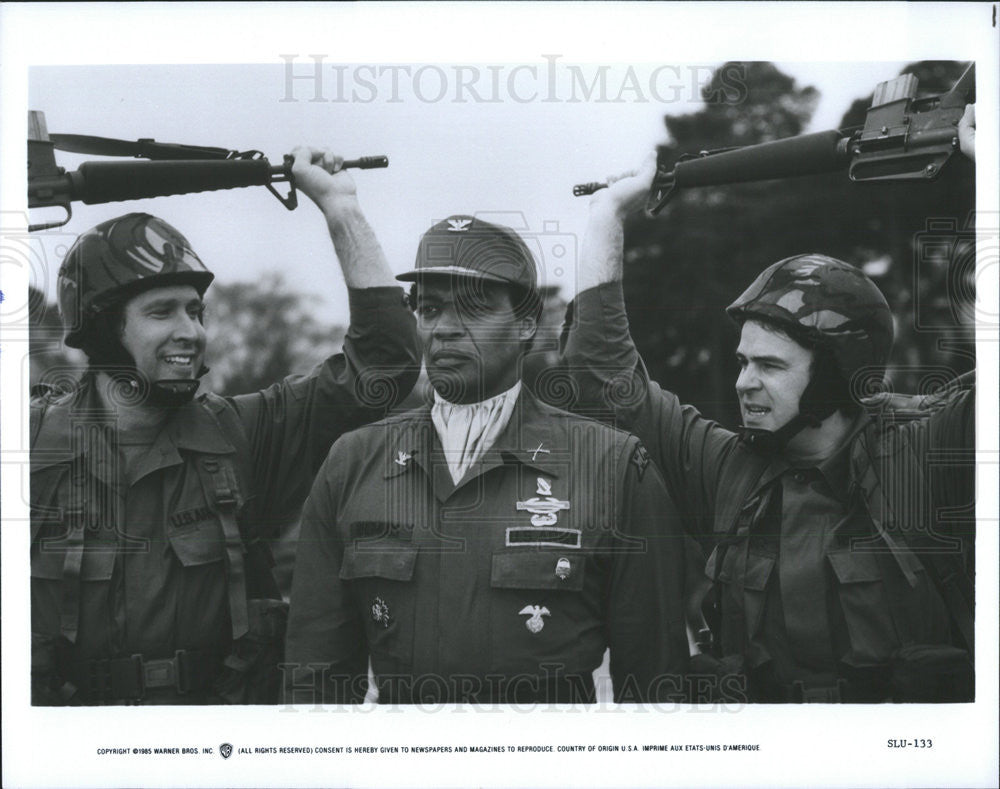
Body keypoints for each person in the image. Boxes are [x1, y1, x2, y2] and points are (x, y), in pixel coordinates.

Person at [559, 107, 977, 703]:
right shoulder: (725, 468)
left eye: (771, 366)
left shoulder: (927, 448)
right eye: (742, 362)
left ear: (840, 376)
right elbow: (603, 378)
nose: (743, 384)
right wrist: (606, 217)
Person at [30, 148, 421, 705]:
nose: (191, 331)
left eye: (196, 311)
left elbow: (384, 365)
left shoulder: (241, 433)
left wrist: (340, 207)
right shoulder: (28, 443)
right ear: (100, 331)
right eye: (162, 312)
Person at [284, 215, 688, 704]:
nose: (445, 329)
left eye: (473, 309)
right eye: (430, 308)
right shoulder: (353, 462)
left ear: (526, 323)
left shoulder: (611, 465)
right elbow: (316, 682)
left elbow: (656, 690)